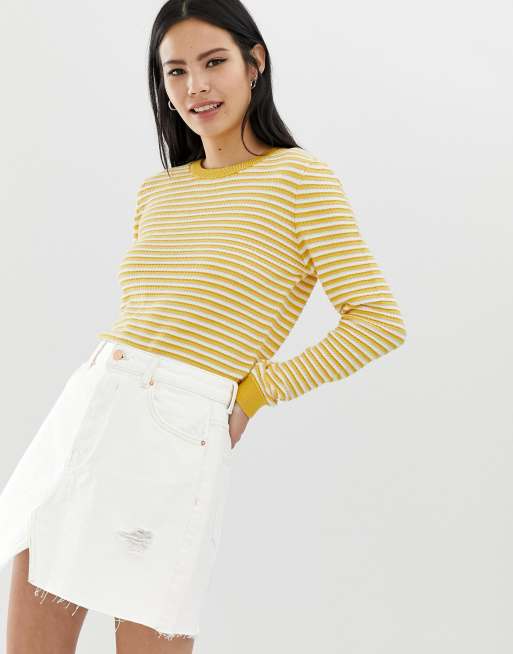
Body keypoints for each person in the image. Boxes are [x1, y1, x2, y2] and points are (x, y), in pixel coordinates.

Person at [1, 0, 407, 652]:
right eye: (176, 71)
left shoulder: (299, 179)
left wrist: (258, 391)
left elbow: (378, 320)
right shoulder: (159, 190)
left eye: (214, 62)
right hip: (90, 406)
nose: (196, 86)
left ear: (255, 62)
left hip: (176, 429)